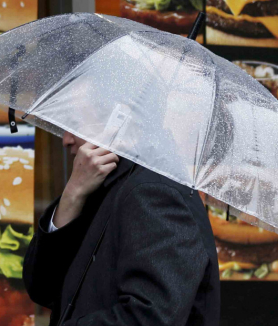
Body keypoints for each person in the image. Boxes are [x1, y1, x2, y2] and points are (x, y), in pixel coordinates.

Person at [23, 131, 221, 326]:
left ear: (118, 116)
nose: (66, 140)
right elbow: (41, 288)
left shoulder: (153, 191)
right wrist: (72, 196)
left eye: (76, 125)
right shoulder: (102, 184)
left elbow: (150, 317)